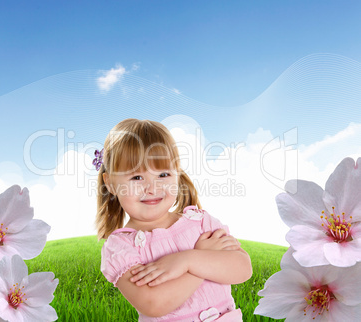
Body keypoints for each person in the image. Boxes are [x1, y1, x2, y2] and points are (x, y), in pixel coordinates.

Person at [96, 118, 252, 321]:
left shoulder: (201, 222)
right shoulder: (122, 247)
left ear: (177, 174)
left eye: (163, 174)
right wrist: (200, 261)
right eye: (136, 177)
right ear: (111, 183)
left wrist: (188, 260)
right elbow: (154, 303)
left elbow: (242, 268)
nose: (152, 188)